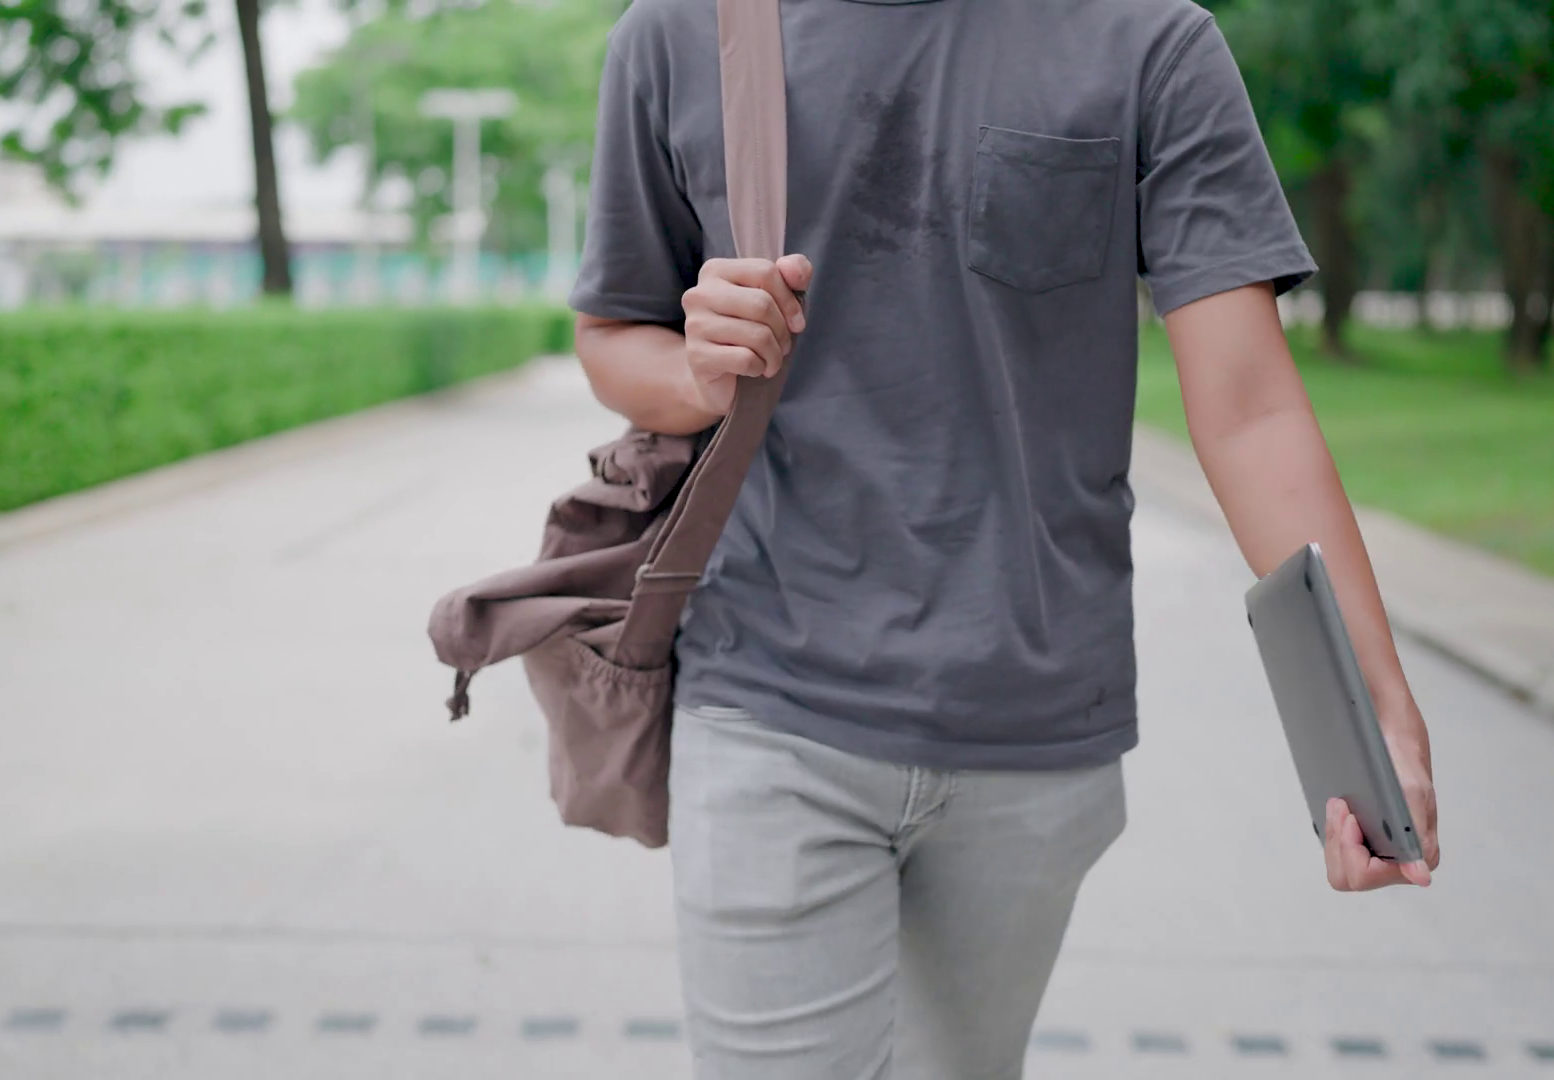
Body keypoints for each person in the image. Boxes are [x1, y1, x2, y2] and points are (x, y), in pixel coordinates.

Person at [568, 0, 1442, 1074]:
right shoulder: (679, 33)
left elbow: (1250, 407)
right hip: (769, 698)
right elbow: (613, 333)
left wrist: (1374, 708)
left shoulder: (1145, 41)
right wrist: (701, 371)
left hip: (1034, 730)